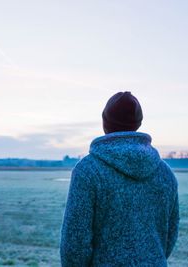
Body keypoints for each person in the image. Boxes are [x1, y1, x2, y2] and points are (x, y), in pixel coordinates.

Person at [60, 91, 180, 266]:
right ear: (138, 124)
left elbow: (75, 242)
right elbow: (170, 234)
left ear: (105, 123)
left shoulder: (88, 170)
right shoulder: (165, 173)